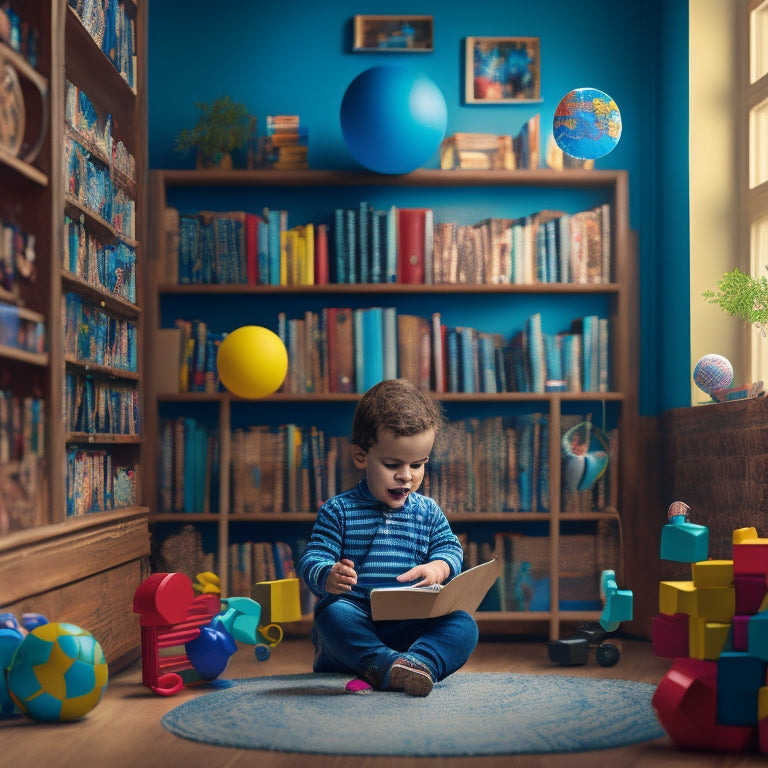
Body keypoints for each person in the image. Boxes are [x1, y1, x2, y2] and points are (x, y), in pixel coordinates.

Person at [297, 378, 478, 697]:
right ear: (361, 456)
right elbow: (312, 559)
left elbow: (450, 548)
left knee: (464, 625)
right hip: (358, 622)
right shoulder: (338, 511)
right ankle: (383, 664)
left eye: (418, 464)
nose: (406, 476)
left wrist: (438, 567)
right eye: (393, 464)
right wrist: (328, 575)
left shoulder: (428, 511)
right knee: (332, 614)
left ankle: (417, 664)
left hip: (413, 625)